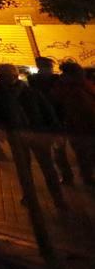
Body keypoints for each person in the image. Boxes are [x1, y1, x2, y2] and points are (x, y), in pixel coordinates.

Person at [0, 63, 67, 209]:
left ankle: (58, 198)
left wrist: (56, 131)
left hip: (36, 133)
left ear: (14, 76)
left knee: (47, 167)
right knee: (24, 169)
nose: (2, 79)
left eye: (4, 75)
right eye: (0, 76)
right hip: (17, 136)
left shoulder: (30, 92)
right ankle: (31, 197)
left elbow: (47, 112)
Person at [49, 60, 95, 187]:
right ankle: (85, 178)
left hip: (73, 126)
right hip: (76, 126)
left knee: (75, 154)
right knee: (81, 154)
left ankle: (74, 177)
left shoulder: (62, 86)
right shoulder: (83, 86)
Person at [31, 56, 75, 185]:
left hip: (55, 121)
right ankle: (61, 177)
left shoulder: (56, 81)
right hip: (45, 122)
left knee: (57, 152)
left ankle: (64, 177)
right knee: (51, 153)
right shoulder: (36, 81)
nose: (48, 69)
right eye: (46, 67)